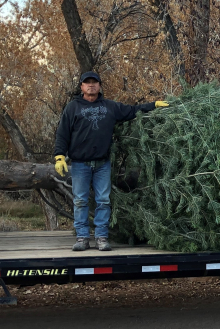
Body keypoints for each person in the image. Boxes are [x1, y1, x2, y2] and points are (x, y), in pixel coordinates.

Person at [53, 71, 169, 251]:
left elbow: (132, 111)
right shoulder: (72, 108)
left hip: (102, 164)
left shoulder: (110, 107)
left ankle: (101, 237)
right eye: (87, 83)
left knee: (103, 201)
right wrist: (59, 156)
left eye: (94, 82)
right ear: (82, 86)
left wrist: (153, 105)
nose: (91, 85)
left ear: (99, 86)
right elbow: (62, 134)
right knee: (80, 201)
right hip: (80, 164)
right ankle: (82, 238)